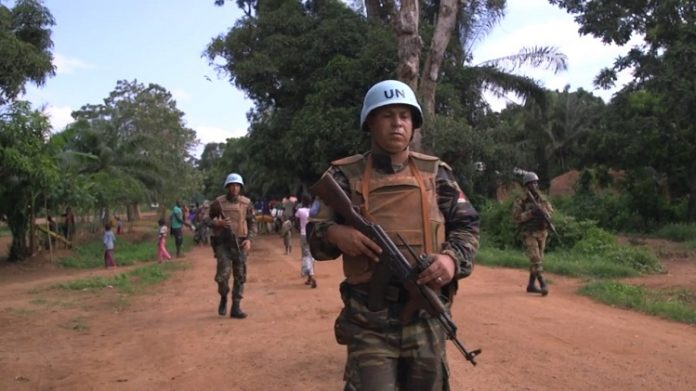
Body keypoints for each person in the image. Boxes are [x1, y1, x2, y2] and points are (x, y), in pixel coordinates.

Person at [307, 79, 480, 389]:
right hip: (368, 318)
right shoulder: (344, 176)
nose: (397, 123)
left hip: (426, 316)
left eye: (404, 115)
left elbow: (467, 226)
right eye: (387, 115)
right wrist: (335, 234)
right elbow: (315, 237)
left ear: (413, 124)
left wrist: (451, 260)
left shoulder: (436, 173)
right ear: (370, 122)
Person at [207, 173, 257, 319]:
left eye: (237, 185)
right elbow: (205, 218)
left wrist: (249, 240)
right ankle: (223, 296)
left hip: (241, 243)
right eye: (232, 185)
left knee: (240, 276)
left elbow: (252, 223)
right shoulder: (218, 203)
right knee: (222, 277)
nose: (235, 188)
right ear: (227, 187)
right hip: (223, 244)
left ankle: (236, 307)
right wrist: (216, 223)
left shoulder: (246, 203)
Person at [512, 171, 554, 296]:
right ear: (526, 185)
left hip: (542, 232)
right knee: (536, 260)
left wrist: (544, 211)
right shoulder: (521, 200)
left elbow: (550, 211)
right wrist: (531, 213)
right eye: (531, 183)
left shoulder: (542, 198)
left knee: (539, 258)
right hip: (529, 233)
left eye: (536, 183)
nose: (534, 185)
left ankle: (531, 284)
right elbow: (516, 217)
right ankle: (543, 284)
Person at [295, 194, 317, 288]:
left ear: (303, 201)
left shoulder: (300, 211)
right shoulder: (313, 211)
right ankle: (309, 278)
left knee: (305, 255)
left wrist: (298, 227)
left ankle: (311, 275)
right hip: (312, 234)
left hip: (304, 234)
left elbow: (296, 220)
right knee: (312, 254)